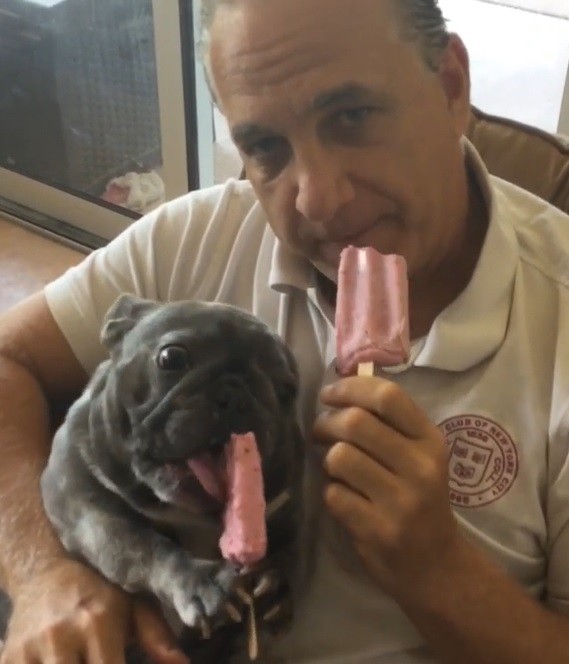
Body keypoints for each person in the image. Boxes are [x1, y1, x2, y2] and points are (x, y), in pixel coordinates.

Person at [0, 0, 568, 661]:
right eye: (265, 147)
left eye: (351, 118)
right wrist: (40, 572)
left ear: (449, 87)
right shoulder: (196, 240)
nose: (316, 199)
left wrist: (439, 573)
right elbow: (9, 359)